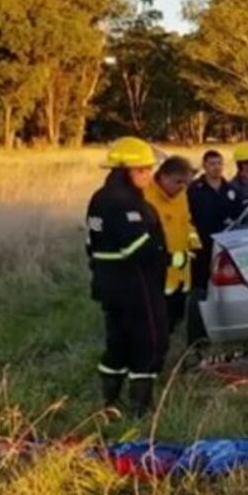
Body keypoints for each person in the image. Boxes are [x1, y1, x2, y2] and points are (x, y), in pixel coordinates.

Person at [85, 137, 169, 418]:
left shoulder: (99, 197)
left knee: (117, 343)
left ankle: (110, 402)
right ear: (128, 171)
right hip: (135, 285)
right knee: (149, 342)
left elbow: (91, 244)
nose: (149, 175)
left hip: (107, 284)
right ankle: (140, 409)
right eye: (144, 169)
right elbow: (138, 249)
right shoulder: (126, 203)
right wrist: (170, 257)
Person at [186, 150, 244, 344]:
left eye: (219, 163)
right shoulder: (194, 190)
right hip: (201, 249)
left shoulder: (232, 191)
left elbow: (240, 218)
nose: (216, 167)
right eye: (212, 163)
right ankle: (197, 335)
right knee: (199, 291)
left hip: (226, 249)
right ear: (204, 166)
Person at [143, 156, 201, 336]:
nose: (182, 187)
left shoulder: (181, 195)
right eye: (178, 182)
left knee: (177, 313)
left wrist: (194, 241)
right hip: (157, 270)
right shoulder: (144, 196)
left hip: (181, 267)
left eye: (186, 183)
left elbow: (186, 221)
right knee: (158, 318)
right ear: (163, 176)